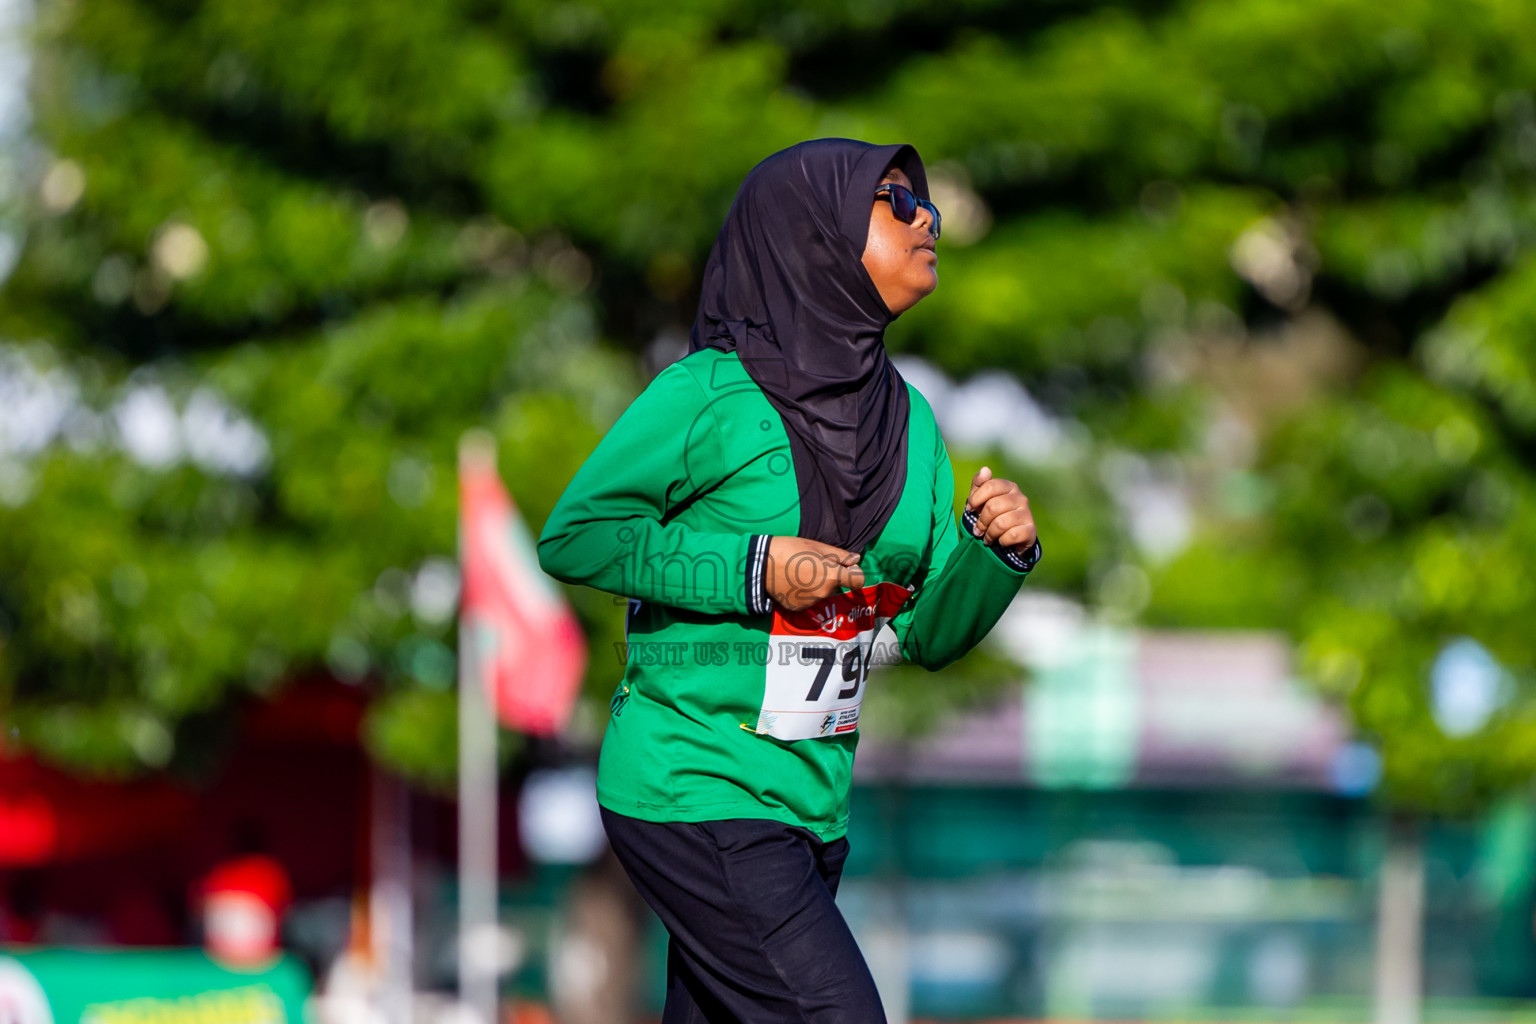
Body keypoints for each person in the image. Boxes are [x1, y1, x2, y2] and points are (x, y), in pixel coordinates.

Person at [537, 138, 1041, 1024]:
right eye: (894, 204)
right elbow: (575, 537)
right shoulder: (707, 395)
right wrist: (755, 567)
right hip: (694, 781)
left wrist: (995, 559)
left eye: (922, 204)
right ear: (815, 237)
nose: (928, 219)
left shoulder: (913, 423)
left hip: (812, 807)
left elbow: (920, 632)